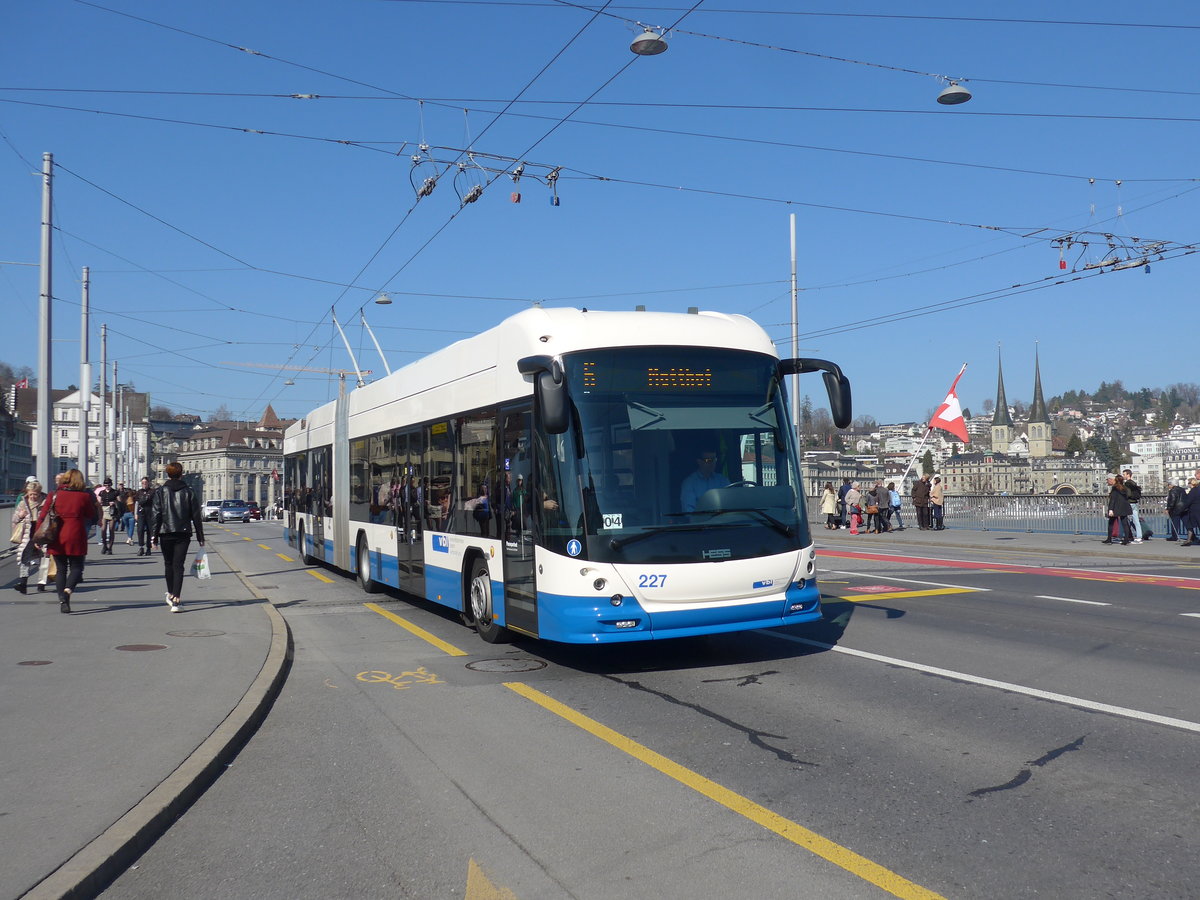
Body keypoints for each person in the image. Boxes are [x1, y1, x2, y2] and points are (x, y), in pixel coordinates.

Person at [33, 469, 100, 613]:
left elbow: (42, 515)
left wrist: (37, 536)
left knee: (61, 569)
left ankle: (62, 599)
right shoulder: (83, 497)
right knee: (77, 567)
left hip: (57, 535)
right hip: (76, 534)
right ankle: (68, 591)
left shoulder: (54, 495)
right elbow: (91, 515)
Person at [151, 461, 206, 613]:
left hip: (165, 532)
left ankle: (170, 593)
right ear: (181, 474)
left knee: (168, 564)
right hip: (183, 532)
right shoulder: (189, 492)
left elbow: (156, 515)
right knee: (178, 565)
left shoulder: (160, 492)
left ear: (168, 474)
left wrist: (153, 537)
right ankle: (176, 599)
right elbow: (196, 516)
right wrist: (200, 536)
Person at [11, 477, 49, 594]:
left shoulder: (45, 502)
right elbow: (14, 519)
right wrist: (20, 515)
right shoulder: (23, 502)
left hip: (41, 532)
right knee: (24, 558)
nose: (33, 497)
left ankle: (41, 583)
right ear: (27, 493)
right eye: (31, 494)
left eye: (35, 494)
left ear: (39, 493)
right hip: (28, 533)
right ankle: (23, 583)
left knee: (44, 558)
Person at [680, 449, 729, 513]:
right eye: (708, 460)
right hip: (701, 522)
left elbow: (731, 503)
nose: (712, 463)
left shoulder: (723, 480)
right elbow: (689, 511)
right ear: (699, 461)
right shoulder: (689, 483)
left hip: (724, 521)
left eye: (714, 460)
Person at [1102, 473, 1133, 545]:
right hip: (1125, 507)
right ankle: (1126, 539)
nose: (1107, 481)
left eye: (1108, 480)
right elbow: (1128, 496)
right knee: (1125, 523)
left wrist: (1110, 509)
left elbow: (1113, 500)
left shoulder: (1115, 488)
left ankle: (1109, 539)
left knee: (1111, 523)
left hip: (1116, 507)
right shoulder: (1124, 488)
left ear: (1112, 480)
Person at [96, 477, 120, 554]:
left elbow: (120, 502)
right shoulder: (102, 492)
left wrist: (114, 502)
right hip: (104, 510)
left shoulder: (115, 492)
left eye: (108, 485)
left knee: (111, 529)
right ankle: (105, 546)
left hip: (112, 511)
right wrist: (100, 504)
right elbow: (98, 502)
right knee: (103, 529)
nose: (107, 486)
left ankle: (110, 548)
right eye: (106, 485)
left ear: (111, 485)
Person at [1121, 469, 1145, 542]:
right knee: (1136, 520)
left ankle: (1128, 535)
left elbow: (1127, 493)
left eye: (1124, 474)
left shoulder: (1127, 484)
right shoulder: (1134, 483)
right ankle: (1139, 536)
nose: (1123, 476)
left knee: (1125, 519)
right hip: (1135, 502)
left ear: (1128, 474)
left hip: (1129, 502)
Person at [133, 476, 156, 556]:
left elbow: (154, 503)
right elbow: (136, 503)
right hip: (141, 513)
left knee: (150, 531)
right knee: (140, 530)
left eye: (145, 483)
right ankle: (141, 547)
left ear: (148, 483)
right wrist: (135, 514)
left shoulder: (152, 491)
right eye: (143, 483)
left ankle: (148, 548)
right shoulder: (139, 492)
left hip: (150, 513)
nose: (144, 484)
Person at [1179, 477, 1200, 547]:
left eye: (1189, 483)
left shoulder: (1193, 491)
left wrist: (1181, 509)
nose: (1188, 484)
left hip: (1194, 510)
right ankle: (1189, 540)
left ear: (1192, 483)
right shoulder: (1198, 490)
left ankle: (1188, 540)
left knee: (1189, 525)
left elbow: (1188, 501)